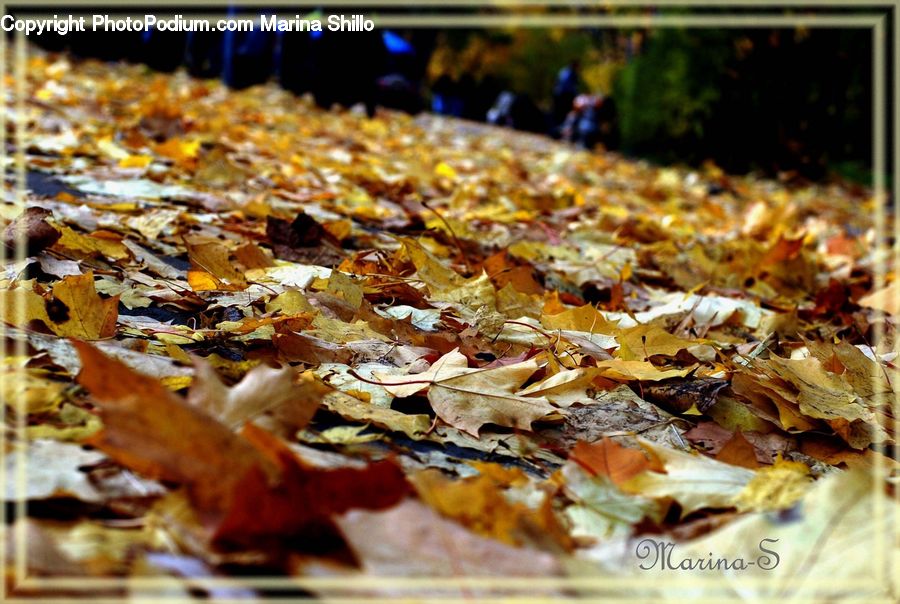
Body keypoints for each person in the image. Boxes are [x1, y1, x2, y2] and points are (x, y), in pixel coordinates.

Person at [552, 60, 580, 132]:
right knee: (565, 112)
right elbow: (571, 86)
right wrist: (576, 95)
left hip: (558, 93)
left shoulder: (563, 71)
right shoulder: (571, 73)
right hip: (565, 95)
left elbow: (557, 81)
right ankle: (562, 129)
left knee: (558, 112)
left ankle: (556, 128)